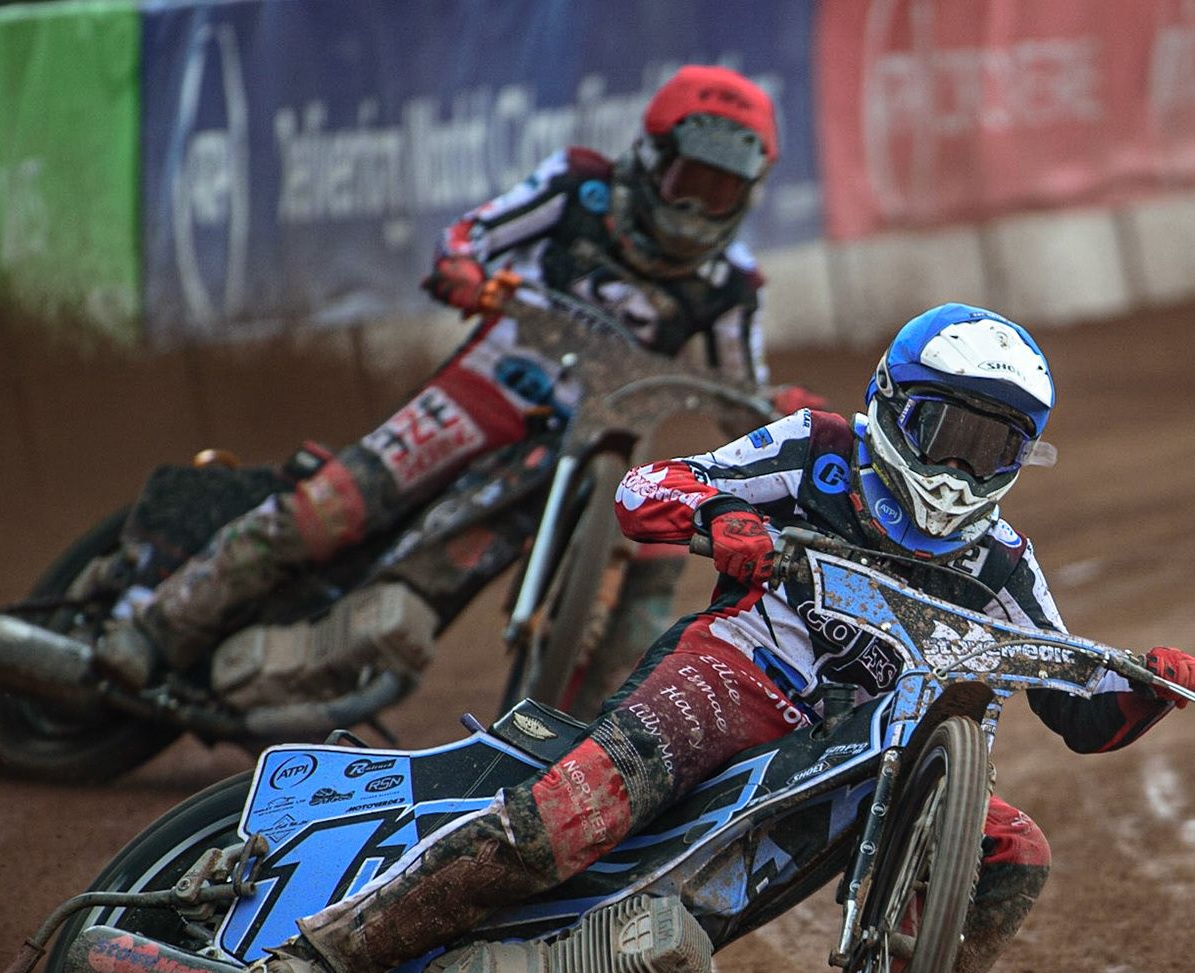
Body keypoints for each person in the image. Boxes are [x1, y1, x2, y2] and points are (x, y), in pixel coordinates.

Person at [229, 303, 1195, 973]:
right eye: (945, 431)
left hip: (868, 757)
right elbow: (649, 486)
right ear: (893, 406)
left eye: (991, 447)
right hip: (739, 676)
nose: (960, 465)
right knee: (578, 812)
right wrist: (719, 520)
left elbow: (1079, 707)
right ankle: (329, 956)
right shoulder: (820, 449)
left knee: (1013, 847)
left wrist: (1148, 688)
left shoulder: (1004, 563)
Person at [95, 64, 824, 690]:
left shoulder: (733, 285)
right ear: (652, 156)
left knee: (654, 552)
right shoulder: (579, 187)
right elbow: (472, 235)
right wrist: (464, 270)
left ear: (748, 196)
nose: (697, 208)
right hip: (487, 390)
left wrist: (780, 414)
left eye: (720, 192)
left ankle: (599, 722)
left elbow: (742, 400)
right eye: (689, 181)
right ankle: (157, 625)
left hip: (592, 445)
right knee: (333, 508)